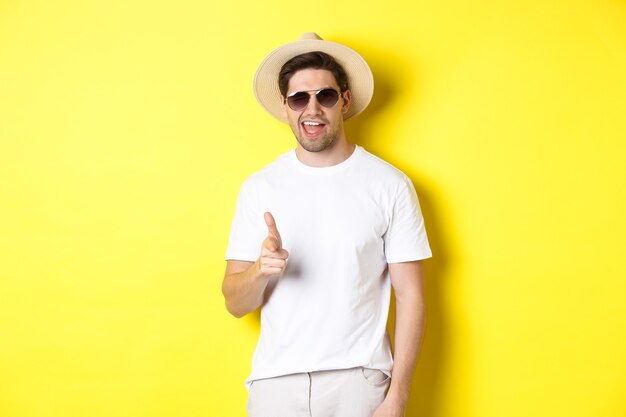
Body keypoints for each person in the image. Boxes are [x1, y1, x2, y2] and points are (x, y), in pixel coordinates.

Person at [222, 33, 432, 417]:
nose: (312, 109)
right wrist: (259, 271)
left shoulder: (389, 185)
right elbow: (235, 304)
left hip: (359, 383)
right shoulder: (259, 188)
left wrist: (397, 397)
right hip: (276, 386)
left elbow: (412, 296)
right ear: (285, 107)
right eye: (300, 98)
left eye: (326, 95)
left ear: (345, 101)